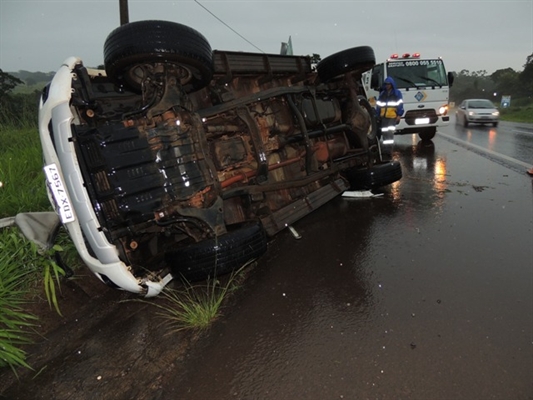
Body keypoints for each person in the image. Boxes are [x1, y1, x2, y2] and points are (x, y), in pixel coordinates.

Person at [375, 77, 404, 146]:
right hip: (384, 117)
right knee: (384, 132)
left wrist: (399, 115)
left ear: (392, 84)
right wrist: (378, 114)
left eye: (388, 84)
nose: (387, 86)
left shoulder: (397, 94)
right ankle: (386, 149)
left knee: (390, 133)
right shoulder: (383, 94)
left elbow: (400, 105)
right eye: (386, 84)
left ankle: (389, 149)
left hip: (392, 116)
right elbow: (379, 105)